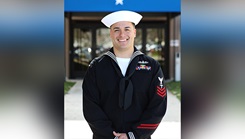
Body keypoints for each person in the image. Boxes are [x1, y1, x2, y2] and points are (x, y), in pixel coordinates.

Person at [82, 10, 167, 139]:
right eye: (116, 29)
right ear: (110, 33)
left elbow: (158, 106)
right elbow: (90, 106)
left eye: (127, 29)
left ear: (134, 32)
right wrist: (112, 135)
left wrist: (133, 135)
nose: (122, 34)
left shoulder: (152, 67)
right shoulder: (97, 67)